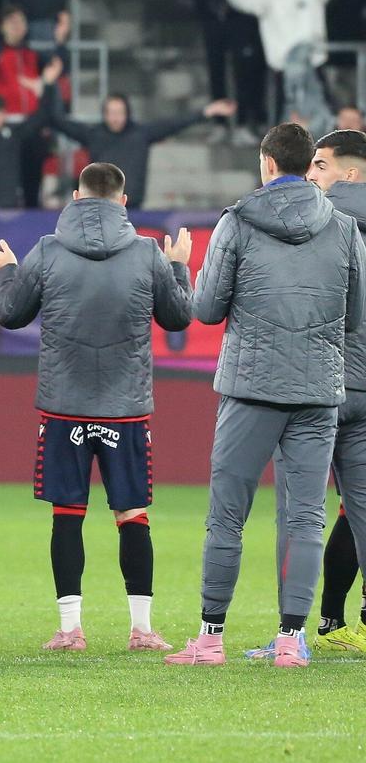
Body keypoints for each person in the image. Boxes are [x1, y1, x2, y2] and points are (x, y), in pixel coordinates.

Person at [168, 123, 365, 668]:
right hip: (319, 390)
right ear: (309, 167)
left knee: (227, 516)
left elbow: (205, 310)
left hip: (250, 388)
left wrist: (182, 270)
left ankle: (210, 639)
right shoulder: (345, 227)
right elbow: (356, 318)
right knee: (306, 518)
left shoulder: (237, 222)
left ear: (269, 164)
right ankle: (291, 640)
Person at [0, 162, 193, 654]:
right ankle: (142, 630)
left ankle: (70, 629)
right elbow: (179, 316)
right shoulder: (147, 253)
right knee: (133, 516)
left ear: (76, 197)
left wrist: (9, 271)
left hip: (64, 407)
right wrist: (180, 266)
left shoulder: (47, 250)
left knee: (67, 516)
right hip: (126, 407)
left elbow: (9, 313)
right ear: (124, 202)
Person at [306, 130, 366, 654]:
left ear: (350, 174)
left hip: (318, 379)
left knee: (308, 509)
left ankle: (319, 624)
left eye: (321, 166)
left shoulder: (311, 226)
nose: (311, 175)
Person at [207, 0, 348, 136]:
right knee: (283, 123)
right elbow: (242, 1)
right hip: (282, 68)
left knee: (325, 112)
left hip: (313, 65)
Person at [42, 93, 236, 207]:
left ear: (127, 113)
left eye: (120, 112)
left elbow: (174, 124)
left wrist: (206, 112)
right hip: (99, 208)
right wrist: (46, 88)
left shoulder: (141, 134)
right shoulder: (93, 134)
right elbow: (59, 122)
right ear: (104, 114)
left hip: (133, 209)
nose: (116, 117)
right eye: (111, 113)